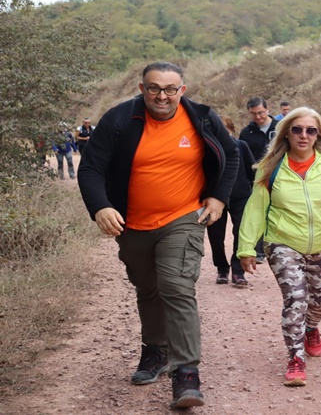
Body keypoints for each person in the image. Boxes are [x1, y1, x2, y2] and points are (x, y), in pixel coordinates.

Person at [77, 61, 239, 409]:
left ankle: (186, 374)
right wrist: (100, 206)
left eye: (170, 89)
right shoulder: (119, 120)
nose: (162, 96)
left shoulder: (202, 119)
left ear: (182, 89)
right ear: (142, 89)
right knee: (147, 288)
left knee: (176, 287)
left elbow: (231, 153)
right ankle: (154, 350)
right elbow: (91, 166)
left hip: (183, 217)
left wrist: (218, 196)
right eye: (154, 88)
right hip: (131, 222)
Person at [237, 107, 321, 387]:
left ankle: (312, 328)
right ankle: (295, 357)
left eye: (310, 130)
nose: (303, 135)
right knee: (295, 298)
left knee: (318, 302)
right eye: (297, 129)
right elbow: (255, 209)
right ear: (287, 133)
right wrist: (246, 247)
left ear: (318, 134)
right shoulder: (271, 168)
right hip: (283, 242)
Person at [207, 114, 256, 287]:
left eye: (224, 130)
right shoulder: (207, 149)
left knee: (241, 233)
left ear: (231, 130)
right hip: (215, 198)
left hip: (240, 197)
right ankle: (221, 268)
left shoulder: (241, 146)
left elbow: (252, 170)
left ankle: (238, 271)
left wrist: (253, 191)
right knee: (215, 236)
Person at [238, 96, 279, 262]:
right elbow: (243, 157)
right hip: (256, 179)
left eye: (261, 112)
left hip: (279, 175)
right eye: (254, 114)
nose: (258, 117)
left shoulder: (281, 127)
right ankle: (258, 249)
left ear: (268, 109)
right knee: (257, 211)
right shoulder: (246, 132)